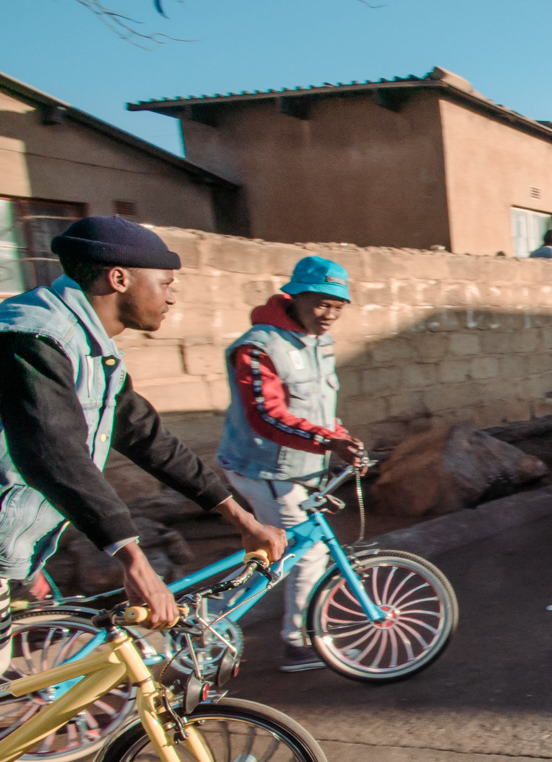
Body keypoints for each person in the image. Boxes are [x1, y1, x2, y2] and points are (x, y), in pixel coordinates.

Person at [0, 217, 285, 665]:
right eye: (166, 283)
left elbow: (147, 437)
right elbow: (52, 452)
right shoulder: (34, 338)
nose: (172, 295)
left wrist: (238, 517)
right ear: (119, 278)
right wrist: (132, 557)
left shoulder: (92, 349)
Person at [219, 255, 364, 672]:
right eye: (321, 303)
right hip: (263, 467)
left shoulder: (319, 343)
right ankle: (298, 642)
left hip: (300, 467)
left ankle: (217, 620)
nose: (330, 314)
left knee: (282, 552)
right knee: (301, 552)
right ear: (295, 297)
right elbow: (265, 415)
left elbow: (318, 406)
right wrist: (328, 440)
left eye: (338, 306)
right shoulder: (258, 346)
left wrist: (342, 437)